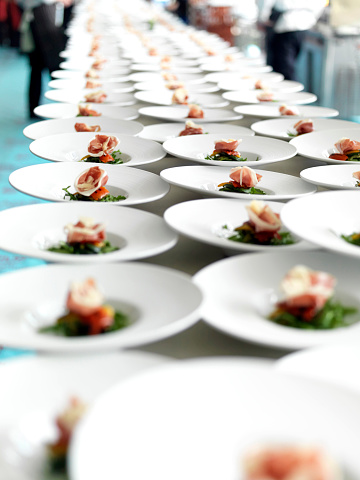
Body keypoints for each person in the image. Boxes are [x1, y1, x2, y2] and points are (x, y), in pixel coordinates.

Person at [18, 0, 73, 118]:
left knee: (44, 68)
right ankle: (34, 109)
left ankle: (59, 109)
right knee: (42, 68)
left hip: (49, 20)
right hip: (39, 21)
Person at [257, 0, 326, 81]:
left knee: (282, 69)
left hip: (283, 25)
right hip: (303, 25)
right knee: (290, 65)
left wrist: (262, 18)